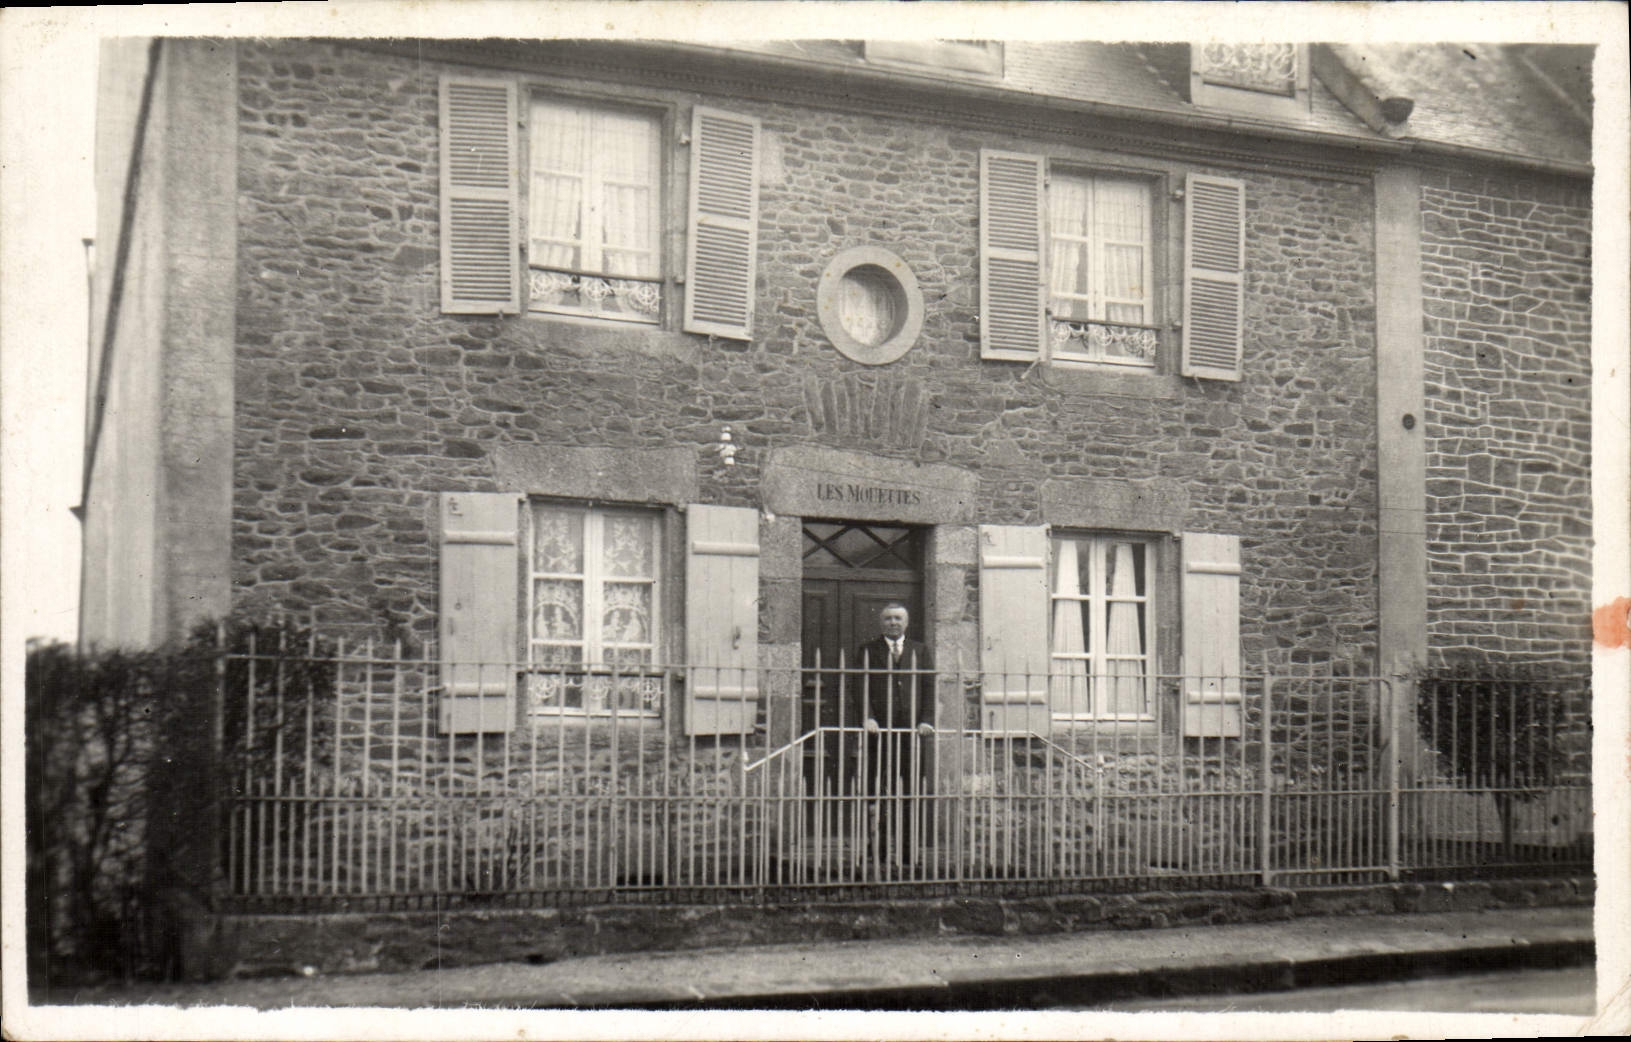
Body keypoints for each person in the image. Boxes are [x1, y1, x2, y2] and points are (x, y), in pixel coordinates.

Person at [846, 603, 935, 870]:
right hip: (879, 734)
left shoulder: (920, 651)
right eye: (888, 619)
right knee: (879, 793)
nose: (893, 623)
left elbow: (929, 687)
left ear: (906, 623)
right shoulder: (867, 650)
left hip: (911, 734)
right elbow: (859, 686)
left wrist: (926, 721)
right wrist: (868, 716)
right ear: (881, 623)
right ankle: (878, 851)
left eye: (898, 618)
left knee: (910, 794)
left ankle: (909, 854)